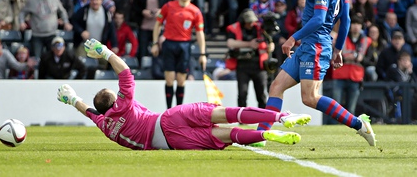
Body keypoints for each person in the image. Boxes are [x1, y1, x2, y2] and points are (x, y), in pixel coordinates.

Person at [57, 38, 312, 150]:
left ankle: (265, 133)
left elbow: (88, 112)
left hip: (169, 143)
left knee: (224, 135)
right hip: (168, 119)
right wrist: (104, 52)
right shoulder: (123, 104)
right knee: (226, 113)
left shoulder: (105, 124)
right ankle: (279, 117)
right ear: (115, 99)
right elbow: (124, 71)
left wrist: (71, 100)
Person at [257, 0, 377, 147]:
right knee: (276, 86)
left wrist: (293, 38)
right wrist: (338, 49)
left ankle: (359, 124)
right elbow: (345, 19)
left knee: (310, 98)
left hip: (316, 47)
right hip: (310, 46)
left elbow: (320, 19)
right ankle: (260, 136)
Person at [151, 0, 205, 109]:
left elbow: (199, 33)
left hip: (184, 45)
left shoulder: (195, 11)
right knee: (169, 79)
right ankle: (169, 110)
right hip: (169, 43)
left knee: (181, 80)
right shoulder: (168, 6)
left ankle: (178, 110)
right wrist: (155, 43)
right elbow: (157, 25)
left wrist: (202, 54)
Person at [226, 9, 273, 109]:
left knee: (261, 94)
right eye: (249, 22)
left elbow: (270, 41)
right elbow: (230, 43)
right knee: (242, 93)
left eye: (253, 21)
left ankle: (264, 118)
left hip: (259, 66)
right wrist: (250, 44)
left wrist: (270, 46)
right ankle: (242, 118)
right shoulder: (234, 28)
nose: (251, 24)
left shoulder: (260, 29)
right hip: (242, 65)